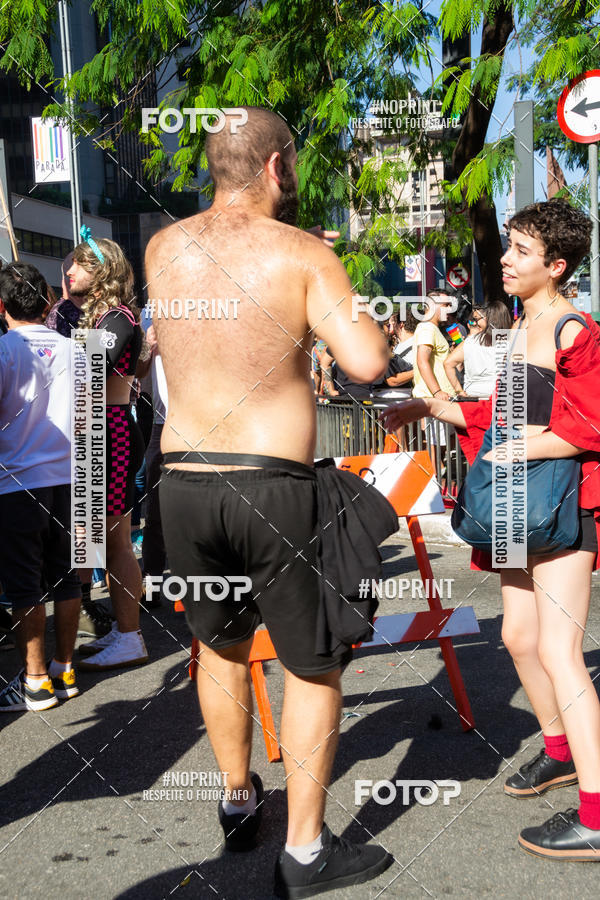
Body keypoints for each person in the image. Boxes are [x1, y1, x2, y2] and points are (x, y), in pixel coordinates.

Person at [146, 105, 393, 897]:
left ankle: (238, 800)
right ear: (278, 166)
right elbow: (366, 361)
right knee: (313, 664)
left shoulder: (163, 247)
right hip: (271, 482)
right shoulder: (302, 252)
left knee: (219, 648)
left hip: (183, 481)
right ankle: (307, 853)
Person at [381, 198, 600, 861]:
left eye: (521, 251)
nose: (504, 259)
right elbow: (497, 418)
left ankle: (596, 815)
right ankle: (559, 753)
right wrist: (425, 405)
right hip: (514, 501)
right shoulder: (523, 325)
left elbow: (591, 424)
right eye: (508, 245)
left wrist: (529, 448)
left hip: (560, 503)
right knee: (517, 636)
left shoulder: (573, 329)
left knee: (559, 649)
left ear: (556, 265)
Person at [0, 263, 82, 711]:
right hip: (70, 479)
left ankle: (35, 682)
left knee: (24, 587)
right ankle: (63, 669)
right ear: (48, 301)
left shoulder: (3, 351)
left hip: (17, 483)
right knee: (67, 580)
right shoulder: (78, 351)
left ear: (2, 306)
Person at [66, 235, 148, 671]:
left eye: (79, 264)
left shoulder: (118, 318)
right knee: (93, 539)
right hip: (96, 431)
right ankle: (121, 628)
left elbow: (87, 373)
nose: (70, 271)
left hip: (109, 432)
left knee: (116, 541)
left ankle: (130, 636)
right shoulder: (102, 317)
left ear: (102, 272)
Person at [45, 251, 114, 639]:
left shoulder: (109, 315)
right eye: (67, 268)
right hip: (76, 429)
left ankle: (84, 597)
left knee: (94, 522)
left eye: (78, 267)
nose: (70, 273)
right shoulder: (61, 316)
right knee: (82, 522)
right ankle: (79, 600)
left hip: (102, 425)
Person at [443, 300, 513, 399]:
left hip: (473, 396)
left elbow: (448, 363)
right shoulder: (512, 342)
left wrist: (459, 391)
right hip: (501, 396)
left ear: (488, 318)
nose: (476, 323)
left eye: (477, 319)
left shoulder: (470, 341)